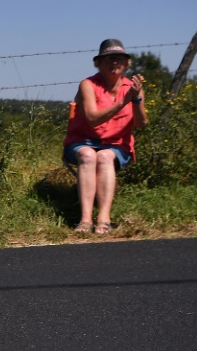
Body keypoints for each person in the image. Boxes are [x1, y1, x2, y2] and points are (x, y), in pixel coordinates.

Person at [63, 39, 148, 234]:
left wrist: (135, 99)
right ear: (98, 63)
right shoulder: (88, 85)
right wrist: (123, 102)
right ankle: (85, 219)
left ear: (126, 64)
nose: (114, 63)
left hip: (117, 144)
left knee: (105, 156)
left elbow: (141, 123)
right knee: (88, 155)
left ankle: (103, 218)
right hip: (82, 141)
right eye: (109, 59)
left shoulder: (133, 87)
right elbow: (92, 119)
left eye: (119, 59)